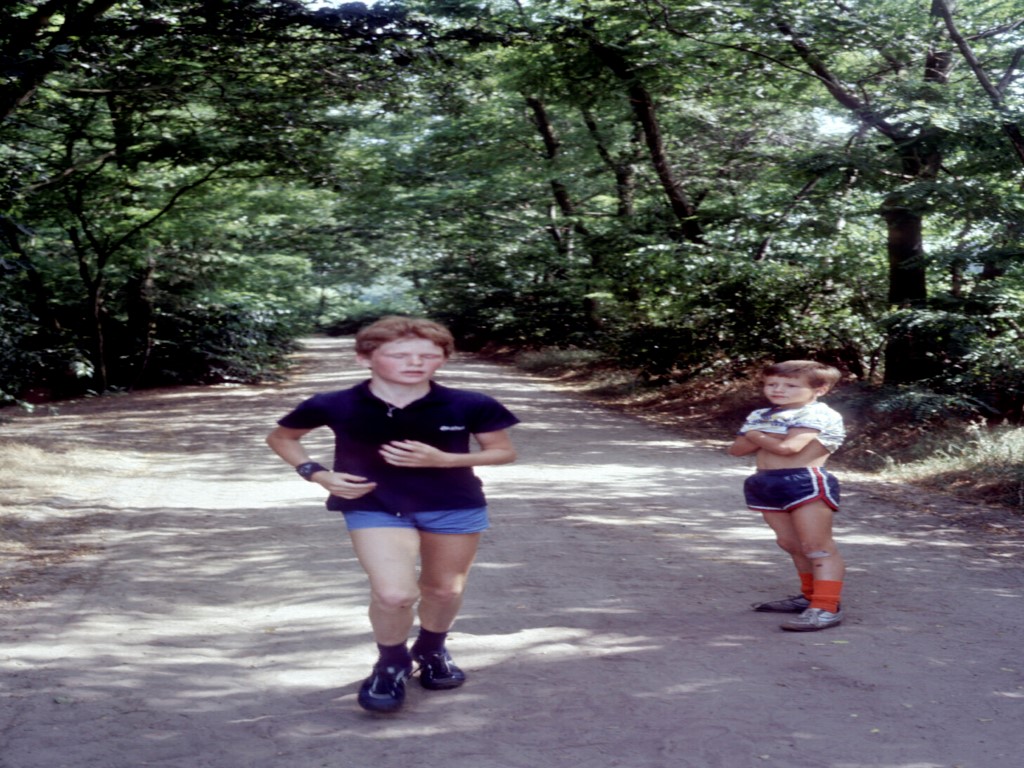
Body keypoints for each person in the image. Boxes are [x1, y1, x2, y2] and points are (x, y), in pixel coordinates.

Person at [266, 316, 519, 713]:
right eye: (400, 355)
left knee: (444, 590)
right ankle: (391, 661)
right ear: (364, 358)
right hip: (374, 505)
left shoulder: (470, 403)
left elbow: (503, 451)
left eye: (428, 355)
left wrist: (444, 459)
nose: (415, 363)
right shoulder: (334, 403)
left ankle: (432, 649)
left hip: (453, 504)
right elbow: (282, 437)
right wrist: (318, 474)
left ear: (443, 360)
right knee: (394, 594)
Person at [728, 360, 846, 632]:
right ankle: (809, 597)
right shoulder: (762, 413)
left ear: (820, 389)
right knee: (790, 543)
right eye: (772, 384)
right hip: (766, 482)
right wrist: (764, 435)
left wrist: (756, 434)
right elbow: (736, 449)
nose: (778, 390)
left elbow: (789, 448)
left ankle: (826, 606)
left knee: (817, 545)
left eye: (791, 385)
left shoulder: (817, 413)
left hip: (804, 481)